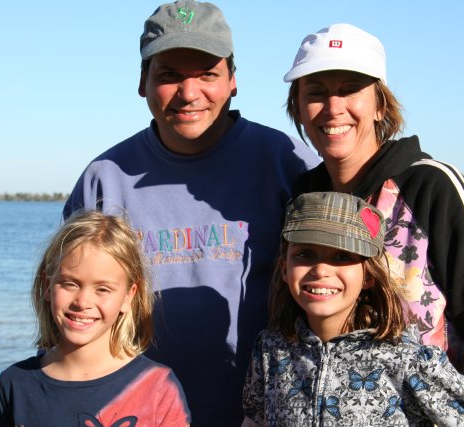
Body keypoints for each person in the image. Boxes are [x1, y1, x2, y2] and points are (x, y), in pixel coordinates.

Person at [62, 1, 320, 425]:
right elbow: (69, 316)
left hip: (268, 415)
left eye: (207, 74)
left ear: (232, 80)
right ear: (142, 82)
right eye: (169, 75)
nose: (188, 93)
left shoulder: (287, 163)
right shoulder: (103, 180)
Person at [283, 23, 464, 423]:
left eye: (351, 89)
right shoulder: (304, 198)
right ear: (299, 107)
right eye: (316, 92)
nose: (333, 107)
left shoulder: (431, 184)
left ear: (380, 105)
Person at [242, 191, 464, 426]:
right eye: (305, 254)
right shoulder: (270, 350)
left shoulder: (408, 358)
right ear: (284, 268)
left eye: (342, 256)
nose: (321, 270)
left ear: (368, 275)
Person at [0, 211, 191, 426]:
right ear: (47, 285)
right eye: (69, 284)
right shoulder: (14, 384)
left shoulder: (158, 388)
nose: (82, 302)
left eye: (103, 289)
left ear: (128, 296)